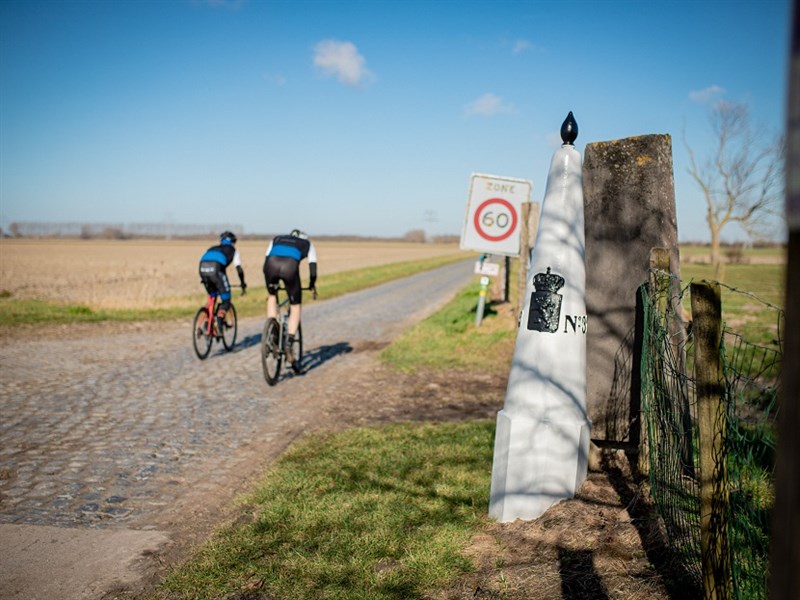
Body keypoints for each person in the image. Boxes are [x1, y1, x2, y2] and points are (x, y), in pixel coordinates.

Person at [262, 229, 317, 365]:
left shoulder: (277, 238)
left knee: (272, 296)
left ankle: (273, 331)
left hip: (270, 266)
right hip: (289, 268)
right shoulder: (307, 244)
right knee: (295, 306)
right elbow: (313, 269)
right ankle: (289, 344)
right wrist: (311, 284)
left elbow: (266, 257)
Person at [199, 231, 247, 335]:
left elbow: (202, 260)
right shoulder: (234, 250)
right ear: (233, 242)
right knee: (226, 300)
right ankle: (220, 318)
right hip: (216, 271)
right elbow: (239, 269)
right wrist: (242, 283)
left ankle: (207, 321)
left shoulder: (212, 248)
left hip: (202, 269)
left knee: (212, 296)